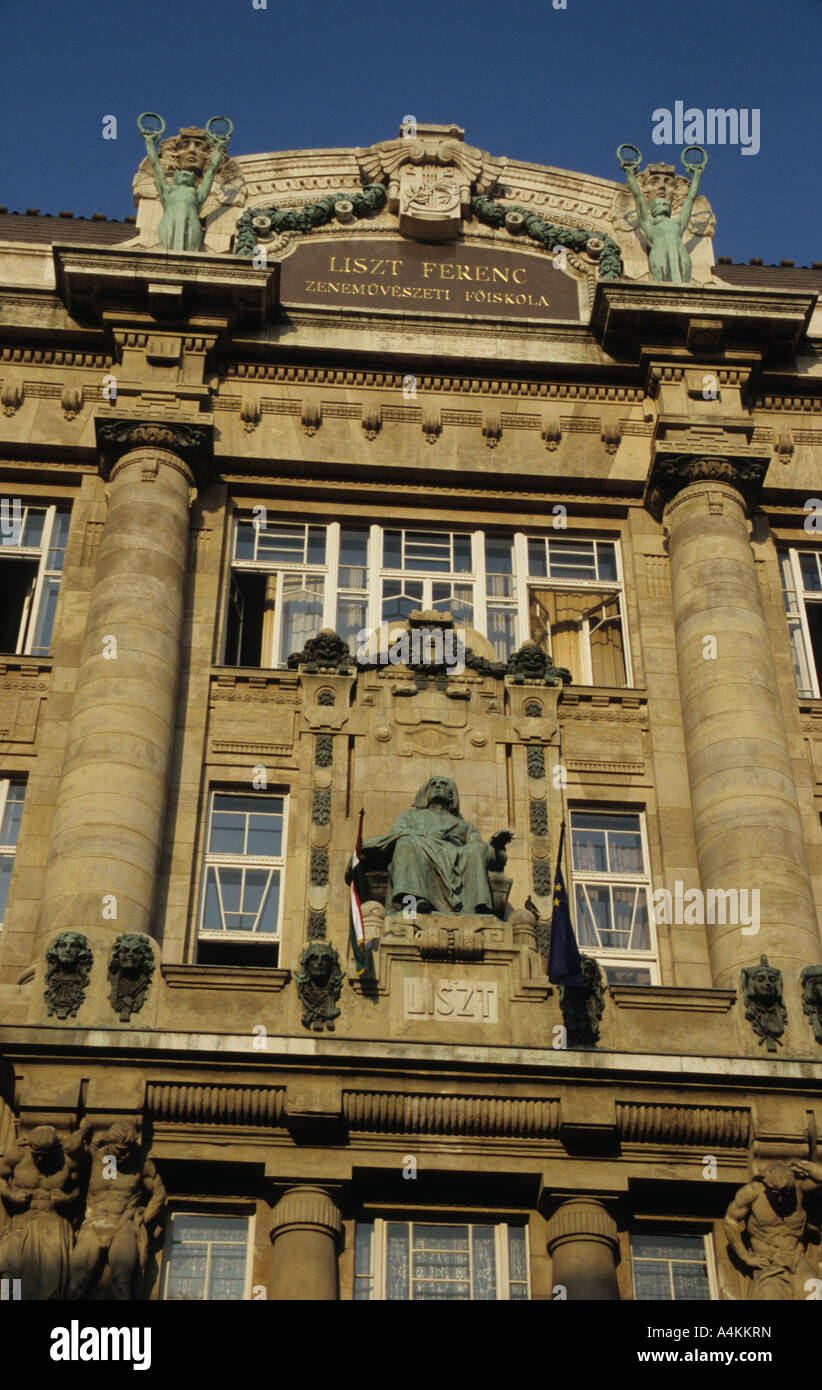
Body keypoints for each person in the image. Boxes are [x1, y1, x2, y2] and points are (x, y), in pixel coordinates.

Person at [361, 776, 511, 915]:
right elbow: (395, 835)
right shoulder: (410, 816)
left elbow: (484, 852)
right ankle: (413, 904)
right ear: (426, 793)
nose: (438, 786)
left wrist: (495, 846)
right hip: (420, 850)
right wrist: (424, 835)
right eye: (433, 784)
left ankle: (477, 908)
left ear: (452, 795)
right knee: (406, 843)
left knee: (475, 850)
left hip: (454, 857)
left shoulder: (464, 826)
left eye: (443, 784)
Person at [67, 1122, 165, 1300]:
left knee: (121, 1285)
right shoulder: (99, 1159)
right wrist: (86, 1129)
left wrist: (144, 1218)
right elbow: (70, 1149)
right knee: (76, 1284)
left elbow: (159, 1194)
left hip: (122, 1227)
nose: (125, 1155)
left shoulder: (140, 1165)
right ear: (109, 1145)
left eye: (128, 1150)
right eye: (120, 1150)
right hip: (93, 1226)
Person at [0, 1124, 88, 1299]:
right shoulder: (18, 1155)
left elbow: (84, 1190)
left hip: (53, 1224)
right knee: (9, 1272)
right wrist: (10, 1193)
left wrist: (67, 1199)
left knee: (50, 1282)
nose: (40, 1159)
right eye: (36, 1154)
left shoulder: (68, 1161)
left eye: (45, 1155)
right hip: (22, 1221)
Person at [723, 1159, 822, 1299]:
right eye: (776, 1193)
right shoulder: (752, 1192)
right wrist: (745, 1256)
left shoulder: (798, 1189)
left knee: (816, 1296)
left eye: (785, 1193)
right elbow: (730, 1220)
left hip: (797, 1260)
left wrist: (799, 1163)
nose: (781, 1198)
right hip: (769, 1262)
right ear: (766, 1185)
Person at [141, 128, 227, 252]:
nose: (185, 175)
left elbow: (211, 172)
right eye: (182, 174)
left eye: (188, 175)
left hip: (192, 224)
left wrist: (219, 148)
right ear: (175, 177)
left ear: (194, 180)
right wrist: (149, 142)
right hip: (169, 223)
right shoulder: (166, 191)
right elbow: (156, 165)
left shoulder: (198, 195)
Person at [623, 156, 703, 284]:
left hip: (680, 254)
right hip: (659, 254)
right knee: (661, 285)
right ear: (653, 210)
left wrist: (697, 176)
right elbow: (638, 195)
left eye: (666, 205)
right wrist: (630, 174)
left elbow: (690, 199)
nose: (664, 206)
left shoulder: (678, 223)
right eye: (660, 204)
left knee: (686, 286)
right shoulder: (649, 223)